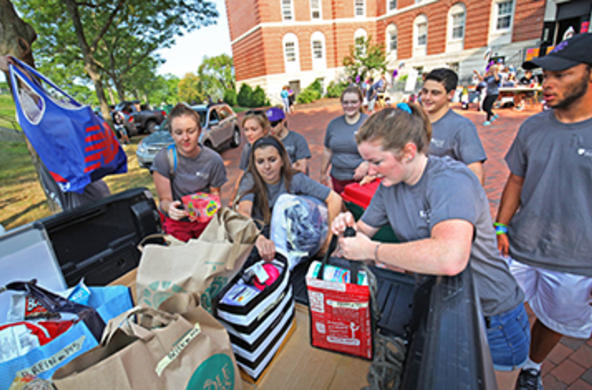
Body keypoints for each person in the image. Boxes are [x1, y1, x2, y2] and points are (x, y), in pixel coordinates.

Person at [330, 103, 529, 390]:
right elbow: (361, 234)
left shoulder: (450, 180)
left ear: (409, 151)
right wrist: (347, 229)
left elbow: (450, 257)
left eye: (376, 161)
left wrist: (372, 251)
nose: (368, 171)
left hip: (492, 316)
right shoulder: (389, 185)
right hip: (443, 307)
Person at [495, 33, 592, 390]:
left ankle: (531, 367)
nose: (546, 84)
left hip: (578, 263)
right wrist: (501, 227)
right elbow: (516, 180)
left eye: (561, 74)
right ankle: (502, 363)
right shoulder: (533, 126)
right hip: (519, 246)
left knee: (555, 320)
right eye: (544, 75)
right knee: (498, 310)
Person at [237, 135, 342, 261]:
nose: (267, 167)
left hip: (290, 238)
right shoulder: (250, 179)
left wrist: (328, 241)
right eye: (260, 161)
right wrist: (258, 238)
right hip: (259, 235)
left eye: (272, 160)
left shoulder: (294, 178)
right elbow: (243, 212)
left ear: (282, 160)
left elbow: (334, 198)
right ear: (254, 164)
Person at [152, 103, 227, 241]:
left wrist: (211, 209)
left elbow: (215, 193)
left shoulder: (213, 160)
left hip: (204, 223)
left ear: (199, 130)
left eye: (190, 131)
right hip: (177, 224)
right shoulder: (164, 159)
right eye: (179, 133)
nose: (185, 138)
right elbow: (164, 200)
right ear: (172, 134)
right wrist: (170, 208)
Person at [420, 68, 487, 184]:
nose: (427, 97)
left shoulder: (462, 127)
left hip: (442, 196)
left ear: (450, 94)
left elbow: (476, 173)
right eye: (425, 91)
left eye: (435, 93)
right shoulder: (415, 121)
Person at [321, 85, 369, 193]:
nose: (349, 105)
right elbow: (327, 150)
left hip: (361, 180)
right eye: (346, 102)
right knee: (341, 208)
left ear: (360, 102)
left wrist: (367, 163)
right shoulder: (333, 124)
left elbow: (381, 150)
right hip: (337, 179)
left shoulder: (369, 123)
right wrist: (323, 174)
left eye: (354, 102)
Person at [229, 110, 270, 205]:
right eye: (246, 129)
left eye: (254, 129)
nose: (248, 134)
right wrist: (233, 197)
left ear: (264, 130)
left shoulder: (273, 149)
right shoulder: (248, 148)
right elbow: (243, 172)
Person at [266, 107, 311, 174]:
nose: (271, 128)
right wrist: (293, 166)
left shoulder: (297, 139)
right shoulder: (267, 141)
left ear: (283, 121)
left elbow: (302, 168)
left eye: (273, 124)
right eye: (267, 124)